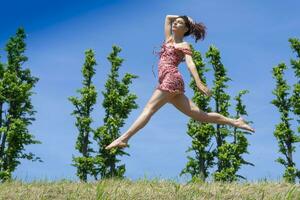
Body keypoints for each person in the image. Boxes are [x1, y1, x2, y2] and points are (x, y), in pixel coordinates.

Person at [105, 15, 255, 150]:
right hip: (171, 83)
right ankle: (236, 122)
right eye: (175, 23)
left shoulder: (184, 45)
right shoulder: (168, 40)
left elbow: (190, 64)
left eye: (179, 23)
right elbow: (167, 18)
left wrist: (198, 82)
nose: (175, 24)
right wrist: (184, 18)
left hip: (172, 79)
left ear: (185, 29)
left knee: (148, 109)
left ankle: (124, 138)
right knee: (201, 116)